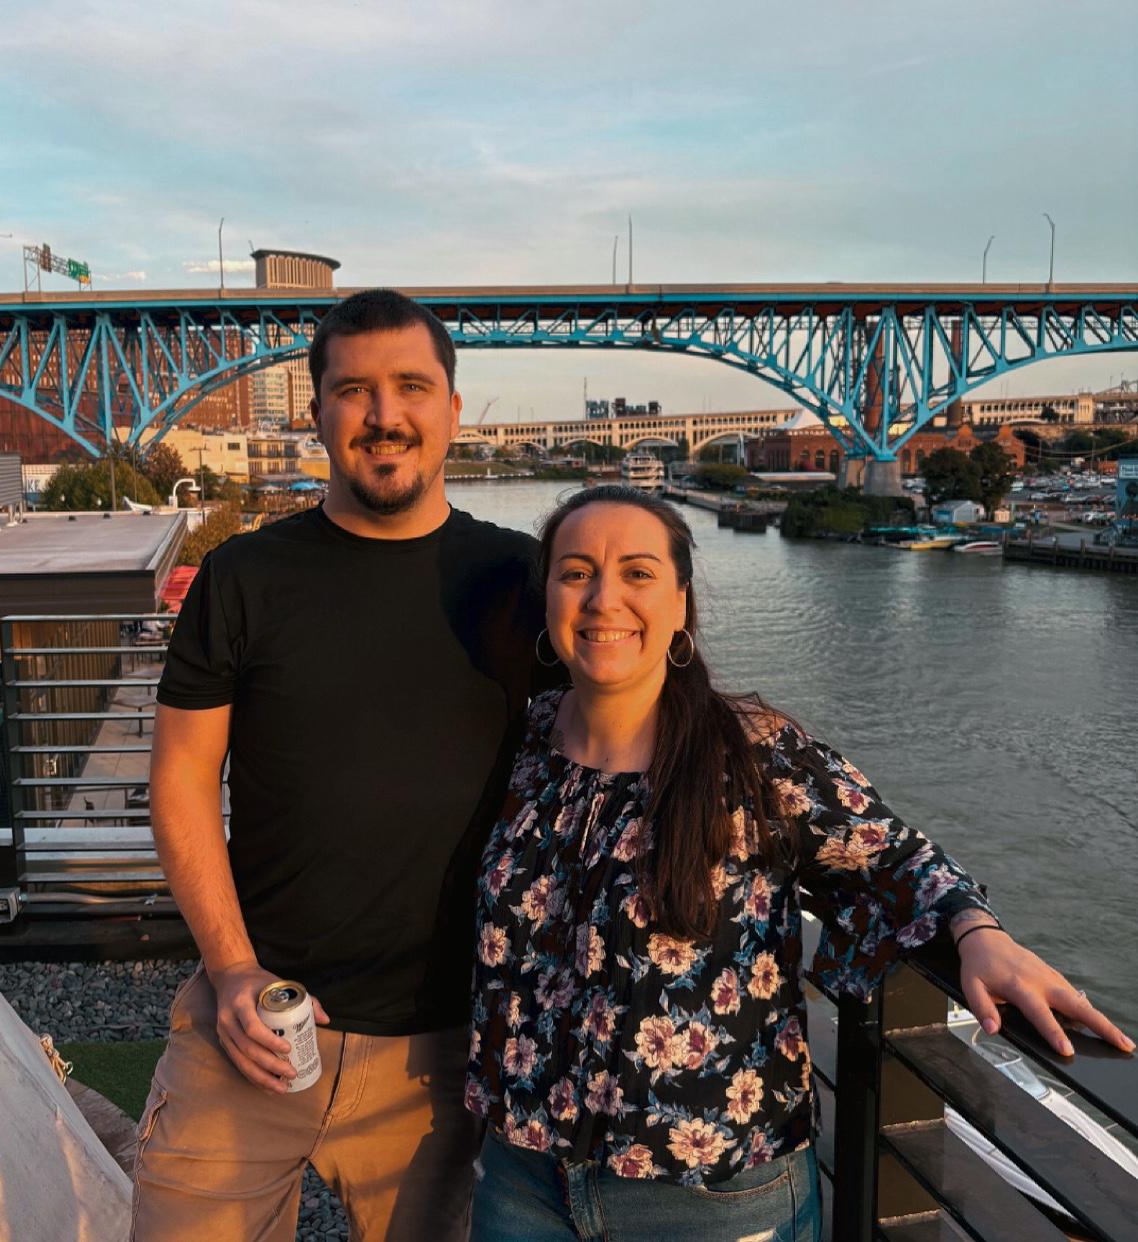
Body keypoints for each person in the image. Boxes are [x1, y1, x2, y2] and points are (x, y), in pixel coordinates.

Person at [465, 485, 1133, 1242]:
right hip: (524, 1177)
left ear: (680, 604)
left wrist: (978, 933)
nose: (603, 598)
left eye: (638, 573)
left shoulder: (753, 751)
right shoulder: (527, 740)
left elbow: (895, 856)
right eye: (576, 572)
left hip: (709, 1199)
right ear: (549, 598)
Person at [132, 289, 547, 1241]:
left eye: (411, 387)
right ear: (316, 412)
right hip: (252, 1021)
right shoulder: (244, 576)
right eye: (354, 390)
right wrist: (231, 969)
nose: (384, 415)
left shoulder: (522, 579)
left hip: (442, 1056)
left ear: (453, 407)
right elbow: (183, 781)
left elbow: (633, 729)